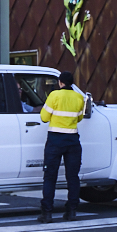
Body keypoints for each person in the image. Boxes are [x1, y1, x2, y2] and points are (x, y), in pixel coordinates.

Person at [38, 69, 89, 221]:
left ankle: (47, 213)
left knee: (50, 177)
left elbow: (44, 117)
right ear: (72, 83)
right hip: (73, 141)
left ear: (60, 82)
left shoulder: (54, 95)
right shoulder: (79, 97)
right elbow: (79, 118)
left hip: (55, 140)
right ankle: (72, 211)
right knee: (73, 177)